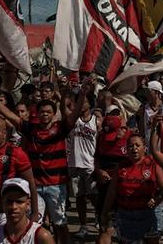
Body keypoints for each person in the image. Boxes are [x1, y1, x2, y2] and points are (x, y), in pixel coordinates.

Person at [0, 83, 85, 244]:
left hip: (57, 185)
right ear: (37, 114)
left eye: (48, 112)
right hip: (36, 186)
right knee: (34, 224)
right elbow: (9, 115)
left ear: (54, 114)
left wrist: (82, 94)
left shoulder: (61, 128)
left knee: (60, 223)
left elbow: (75, 113)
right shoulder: (30, 129)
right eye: (42, 112)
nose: (45, 114)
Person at [101, 134, 163, 244]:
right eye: (131, 146)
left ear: (144, 148)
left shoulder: (153, 165)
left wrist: (157, 200)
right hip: (125, 214)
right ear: (126, 149)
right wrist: (104, 212)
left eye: (138, 145)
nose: (134, 148)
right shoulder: (121, 166)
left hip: (148, 214)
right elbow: (112, 191)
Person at [66, 92, 99, 239]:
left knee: (94, 196)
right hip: (74, 163)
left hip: (90, 164)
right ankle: (83, 225)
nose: (80, 104)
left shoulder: (96, 121)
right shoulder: (72, 120)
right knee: (79, 197)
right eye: (78, 101)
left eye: (84, 101)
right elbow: (63, 105)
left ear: (90, 104)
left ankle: (100, 218)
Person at [0, 178, 54, 244]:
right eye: (9, 201)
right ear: (2, 204)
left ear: (28, 204)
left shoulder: (41, 237)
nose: (14, 207)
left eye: (19, 202)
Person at [94, 110, 129, 244]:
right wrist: (99, 171)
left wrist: (118, 176)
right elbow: (96, 158)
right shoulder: (101, 137)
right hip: (104, 186)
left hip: (123, 188)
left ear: (121, 128)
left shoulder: (130, 138)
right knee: (104, 224)